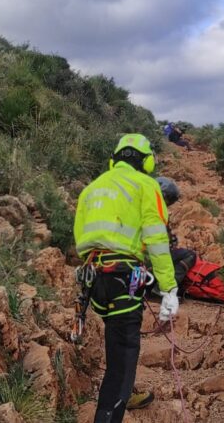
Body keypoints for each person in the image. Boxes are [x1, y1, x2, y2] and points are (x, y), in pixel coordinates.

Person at [74, 134, 180, 423]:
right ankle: (109, 413)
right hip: (122, 278)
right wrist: (169, 288)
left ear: (114, 160)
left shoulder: (91, 189)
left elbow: (82, 237)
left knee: (116, 341)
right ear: (147, 161)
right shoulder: (146, 185)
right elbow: (157, 240)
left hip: (93, 281)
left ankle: (124, 393)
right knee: (123, 354)